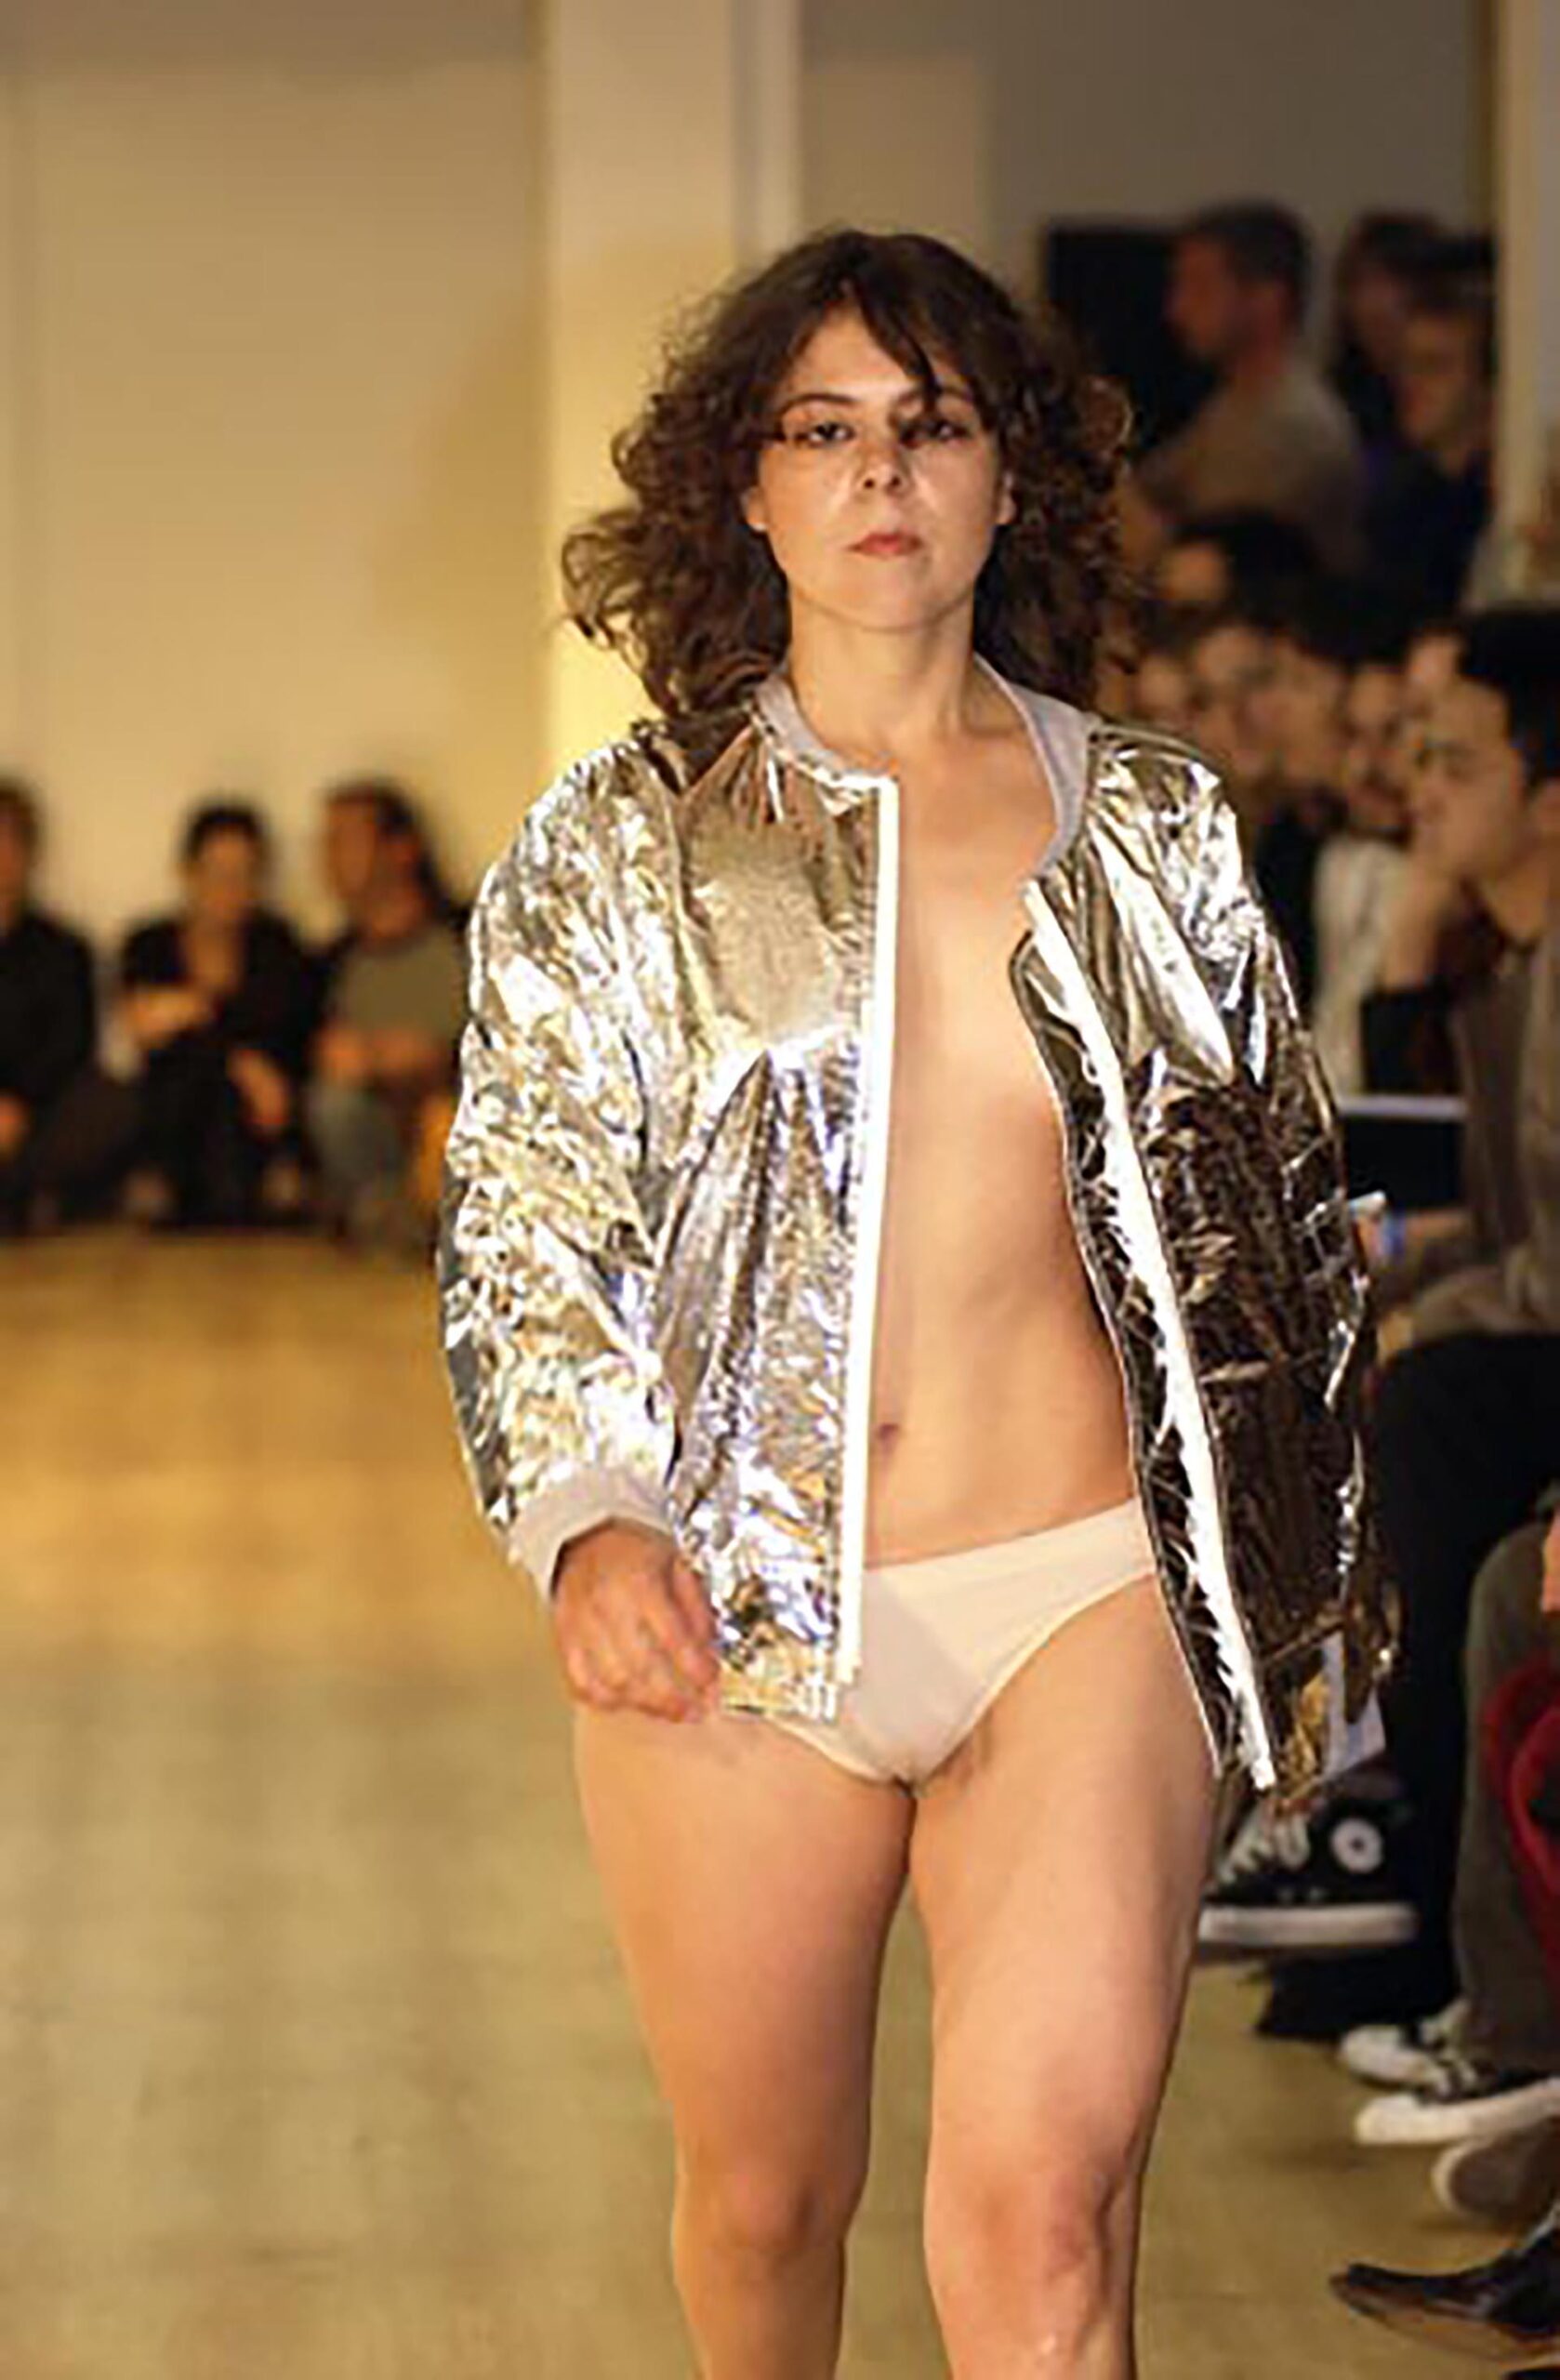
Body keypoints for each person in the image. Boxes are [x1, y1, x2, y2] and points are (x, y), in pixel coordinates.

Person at [438, 227, 1389, 2377]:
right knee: (765, 2206)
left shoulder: (1144, 820)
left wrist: (1302, 1619)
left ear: (1006, 476)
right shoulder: (623, 842)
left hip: (1085, 1590)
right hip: (735, 1615)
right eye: (823, 428)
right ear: (746, 483)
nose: (878, 473)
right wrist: (585, 1517)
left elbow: (1267, 1226)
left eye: (930, 424)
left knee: (1039, 2214)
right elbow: (522, 1202)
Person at [1126, 203, 1365, 573]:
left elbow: (1220, 554)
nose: (1177, 309)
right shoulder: (1233, 402)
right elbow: (1153, 484)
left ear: (1267, 299)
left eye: (1201, 289)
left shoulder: (1297, 425)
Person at [117, 800, 316, 1228]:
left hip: (257, 1117)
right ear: (188, 873)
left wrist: (192, 1012)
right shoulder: (150, 944)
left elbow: (286, 1035)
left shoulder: (277, 945)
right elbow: (143, 1026)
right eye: (218, 873)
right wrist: (239, 1062)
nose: (231, 888)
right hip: (176, 1106)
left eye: (246, 874)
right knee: (185, 1079)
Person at [307, 776, 466, 1246]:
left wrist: (435, 1058)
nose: (330, 859)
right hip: (378, 1124)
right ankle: (388, 1213)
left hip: (456, 1112)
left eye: (346, 841)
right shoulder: (333, 962)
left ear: (402, 850)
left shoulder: (467, 936)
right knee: (333, 1106)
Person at [0, 776, 136, 1231]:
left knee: (113, 1103)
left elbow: (72, 1043)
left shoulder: (64, 948)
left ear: (30, 853)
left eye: (10, 842)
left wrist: (19, 1103)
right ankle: (29, 1199)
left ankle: (24, 1194)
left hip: (37, 1113)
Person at [1364, 268, 1496, 615]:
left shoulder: (1495, 501)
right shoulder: (1401, 497)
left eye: (1434, 366)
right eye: (1405, 364)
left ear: (1487, 386)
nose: (1410, 381)